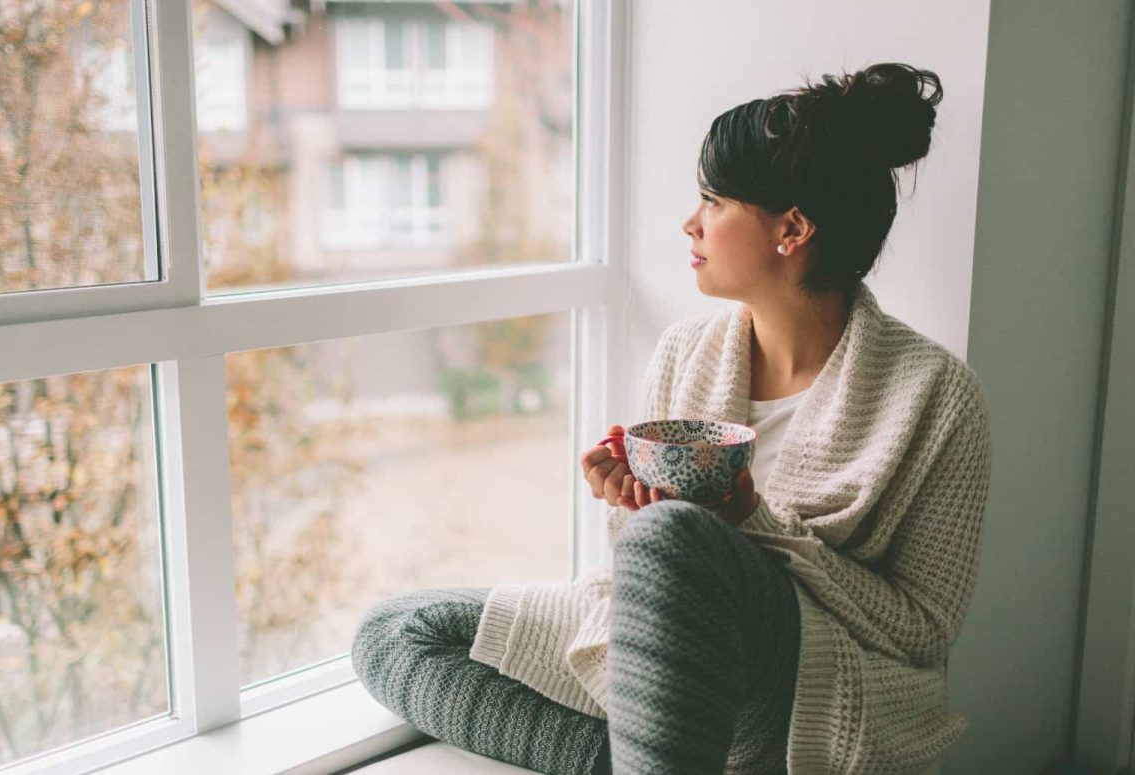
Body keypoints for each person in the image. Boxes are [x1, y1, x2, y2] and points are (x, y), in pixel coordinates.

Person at [352, 62, 992, 774]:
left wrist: (748, 521)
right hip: (678, 667)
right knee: (397, 632)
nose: (691, 223)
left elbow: (923, 629)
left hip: (808, 677)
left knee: (677, 534)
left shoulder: (935, 395)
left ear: (793, 228)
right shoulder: (688, 350)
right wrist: (629, 500)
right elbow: (645, 561)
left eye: (714, 201)